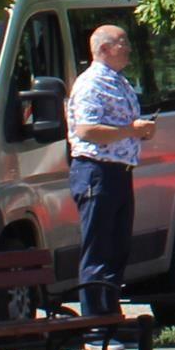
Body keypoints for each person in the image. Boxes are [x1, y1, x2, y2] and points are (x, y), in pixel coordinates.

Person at [68, 23, 157, 322]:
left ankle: (110, 317)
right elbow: (86, 129)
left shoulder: (118, 81)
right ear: (103, 48)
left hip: (119, 172)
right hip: (96, 172)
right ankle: (95, 323)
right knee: (98, 248)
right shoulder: (91, 82)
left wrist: (137, 132)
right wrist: (131, 130)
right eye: (123, 42)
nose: (129, 47)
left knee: (117, 248)